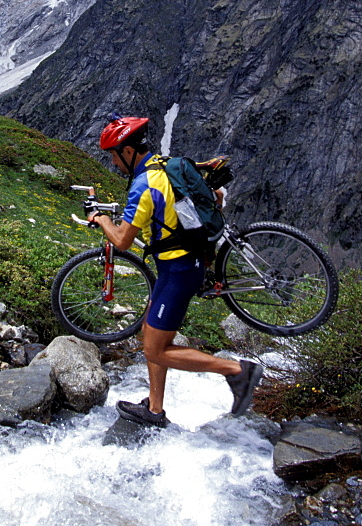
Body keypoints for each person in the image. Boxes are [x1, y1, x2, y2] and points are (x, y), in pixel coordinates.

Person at [89, 115, 263, 427]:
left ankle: (238, 372)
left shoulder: (143, 186)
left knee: (156, 350)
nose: (113, 162)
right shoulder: (159, 163)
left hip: (179, 270)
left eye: (114, 155)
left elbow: (122, 241)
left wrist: (102, 219)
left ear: (129, 152)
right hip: (182, 263)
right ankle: (154, 410)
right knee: (150, 336)